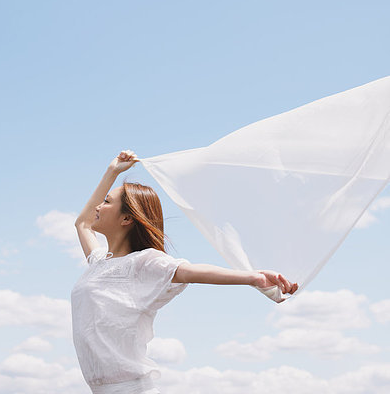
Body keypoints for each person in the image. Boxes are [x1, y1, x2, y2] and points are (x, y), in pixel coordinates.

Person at [71, 150, 298, 394]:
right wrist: (112, 172)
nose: (98, 206)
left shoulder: (143, 263)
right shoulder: (98, 263)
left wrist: (253, 277)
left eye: (106, 202)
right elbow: (82, 223)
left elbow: (190, 271)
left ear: (127, 218)